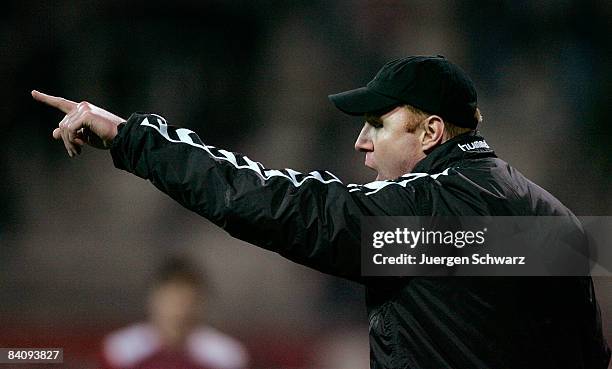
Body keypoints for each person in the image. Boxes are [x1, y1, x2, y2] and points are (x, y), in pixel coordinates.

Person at [33, 55, 610, 369]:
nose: (362, 142)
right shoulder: (556, 220)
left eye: (378, 125)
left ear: (431, 131)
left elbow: (273, 203)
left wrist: (133, 139)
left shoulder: (421, 216)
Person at [101, 256, 249, 369]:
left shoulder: (226, 355)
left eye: (189, 301)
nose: (180, 311)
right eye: (173, 300)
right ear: (153, 300)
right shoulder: (121, 349)